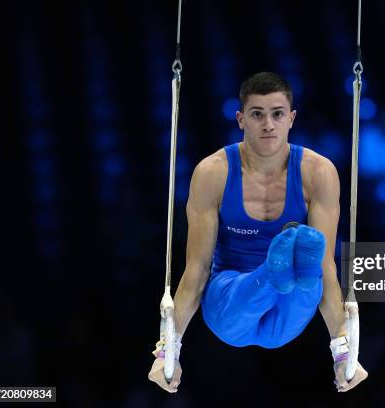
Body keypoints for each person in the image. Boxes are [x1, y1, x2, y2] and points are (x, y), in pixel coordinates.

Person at [148, 72, 368, 393]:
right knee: (290, 275)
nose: (268, 124)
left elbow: (328, 270)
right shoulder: (213, 173)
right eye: (257, 114)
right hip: (231, 296)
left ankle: (283, 265)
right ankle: (276, 267)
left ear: (291, 118)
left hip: (287, 310)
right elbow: (197, 269)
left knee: (312, 276)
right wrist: (167, 351)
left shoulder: (318, 172)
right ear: (241, 119)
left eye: (277, 114)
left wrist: (343, 353)